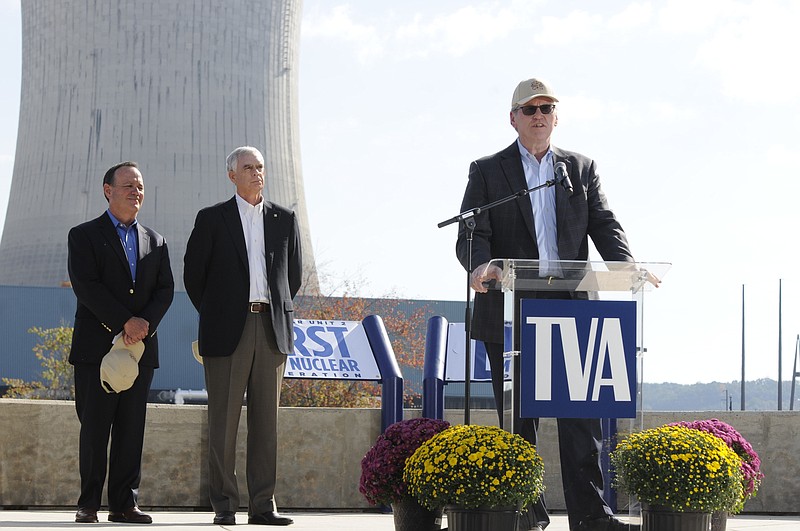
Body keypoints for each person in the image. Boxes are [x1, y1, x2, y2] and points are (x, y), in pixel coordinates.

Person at [456, 78, 643, 531]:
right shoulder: (488, 170)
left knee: (581, 421)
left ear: (556, 116)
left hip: (573, 308)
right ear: (514, 118)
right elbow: (470, 232)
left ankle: (591, 517)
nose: (539, 115)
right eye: (530, 109)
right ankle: (527, 514)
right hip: (511, 308)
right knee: (521, 421)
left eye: (547, 107)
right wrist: (482, 267)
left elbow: (603, 222)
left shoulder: (579, 167)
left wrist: (628, 266)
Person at [184, 146, 302, 526]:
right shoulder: (212, 219)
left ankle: (263, 506)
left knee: (267, 423)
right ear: (232, 175)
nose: (256, 173)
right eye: (248, 168)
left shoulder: (284, 219)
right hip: (227, 332)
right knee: (223, 423)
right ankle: (224, 505)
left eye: (260, 167)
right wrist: (218, 314)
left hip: (270, 329)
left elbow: (292, 276)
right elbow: (193, 276)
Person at [67, 161, 174, 524]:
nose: (135, 192)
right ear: (107, 190)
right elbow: (87, 285)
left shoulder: (156, 241)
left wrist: (144, 324)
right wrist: (123, 321)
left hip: (139, 350)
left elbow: (165, 290)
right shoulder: (83, 235)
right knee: (95, 427)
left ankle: (124, 504)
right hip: (96, 348)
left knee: (131, 429)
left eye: (140, 186)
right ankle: (89, 503)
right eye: (128, 185)